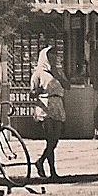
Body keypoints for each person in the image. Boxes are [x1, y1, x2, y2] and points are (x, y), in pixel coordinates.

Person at [29, 46, 68, 181]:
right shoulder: (38, 73)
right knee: (50, 138)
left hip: (57, 105)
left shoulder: (58, 72)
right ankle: (52, 170)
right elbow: (32, 93)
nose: (53, 57)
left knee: (55, 139)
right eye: (50, 55)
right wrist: (38, 91)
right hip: (45, 106)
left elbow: (67, 86)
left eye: (55, 55)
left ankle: (41, 161)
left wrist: (58, 76)